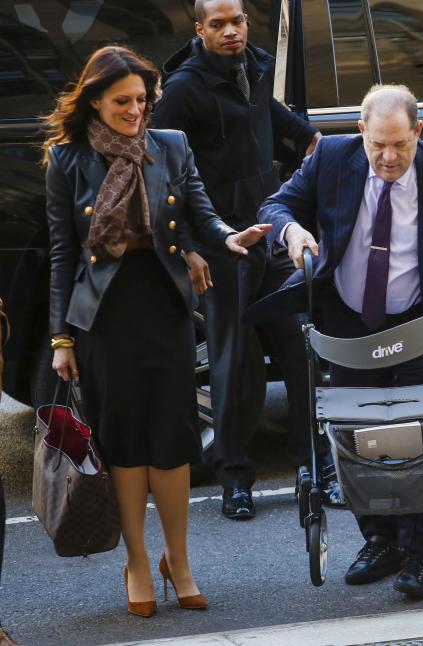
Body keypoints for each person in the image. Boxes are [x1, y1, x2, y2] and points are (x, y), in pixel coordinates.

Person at [256, 84, 423, 598]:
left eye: (400, 146)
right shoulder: (332, 158)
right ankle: (379, 541)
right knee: (361, 438)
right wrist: (291, 232)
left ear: (418, 133)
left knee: (420, 439)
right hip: (352, 322)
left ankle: (419, 555)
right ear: (360, 132)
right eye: (377, 144)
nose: (388, 157)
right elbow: (277, 204)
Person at [44, 46, 270, 616]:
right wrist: (61, 339)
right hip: (103, 322)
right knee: (123, 445)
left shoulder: (170, 145)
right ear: (95, 100)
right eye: (122, 101)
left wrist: (223, 239)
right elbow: (62, 254)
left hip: (165, 310)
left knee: (171, 445)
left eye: (143, 100)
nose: (135, 111)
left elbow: (200, 211)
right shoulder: (67, 160)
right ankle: (138, 564)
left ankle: (180, 559)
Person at [152, 0, 332, 520]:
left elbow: (275, 123)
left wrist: (314, 142)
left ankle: (315, 471)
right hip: (221, 246)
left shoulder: (253, 66)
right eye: (219, 25)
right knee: (236, 367)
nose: (231, 32)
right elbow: (161, 177)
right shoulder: (184, 90)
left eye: (238, 21)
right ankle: (235, 481)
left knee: (303, 354)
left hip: (270, 238)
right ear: (199, 30)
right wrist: (186, 246)